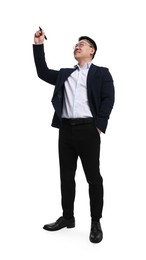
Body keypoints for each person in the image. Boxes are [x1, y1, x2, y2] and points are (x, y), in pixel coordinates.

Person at [33, 28, 115, 243]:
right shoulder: (64, 74)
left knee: (93, 178)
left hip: (89, 130)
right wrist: (39, 44)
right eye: (75, 44)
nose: (77, 46)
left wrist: (99, 125)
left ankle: (95, 222)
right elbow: (42, 72)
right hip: (66, 130)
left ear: (92, 50)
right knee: (66, 177)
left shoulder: (101, 73)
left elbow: (109, 98)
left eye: (83, 44)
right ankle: (68, 218)